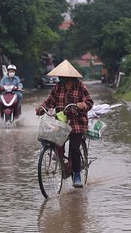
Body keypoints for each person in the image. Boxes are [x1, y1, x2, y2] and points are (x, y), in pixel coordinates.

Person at [35, 60, 94, 188]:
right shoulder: (58, 87)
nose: (61, 79)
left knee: (74, 148)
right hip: (61, 122)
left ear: (70, 77)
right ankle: (62, 162)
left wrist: (81, 105)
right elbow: (49, 101)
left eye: (64, 77)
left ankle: (77, 174)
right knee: (52, 141)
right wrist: (41, 107)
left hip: (77, 123)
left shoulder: (81, 87)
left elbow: (89, 102)